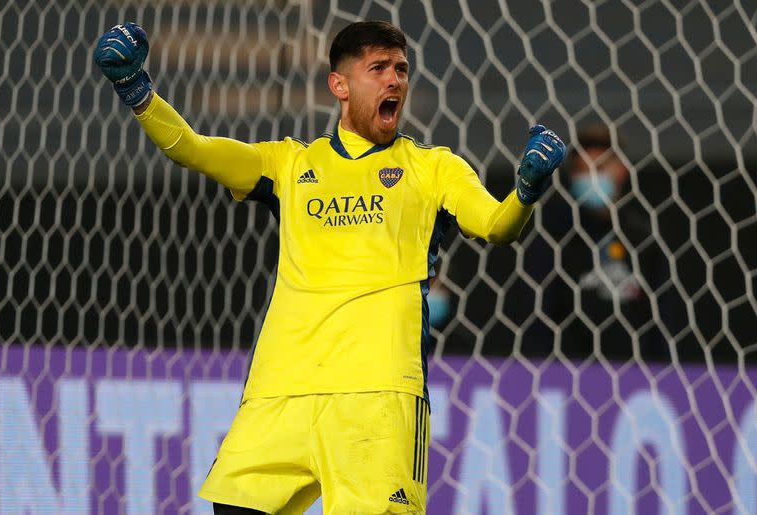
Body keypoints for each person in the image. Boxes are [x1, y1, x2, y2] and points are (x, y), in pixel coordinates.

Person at [93, 20, 565, 514]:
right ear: (339, 85)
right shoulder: (289, 165)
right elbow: (193, 149)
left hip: (378, 396)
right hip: (282, 390)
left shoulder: (435, 168)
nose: (395, 81)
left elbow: (496, 226)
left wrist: (526, 191)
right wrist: (135, 90)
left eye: (401, 69)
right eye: (378, 68)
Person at [522, 124, 671, 361]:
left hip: (637, 380)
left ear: (621, 170)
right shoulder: (552, 241)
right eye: (582, 170)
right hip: (567, 377)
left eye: (599, 168)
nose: (591, 178)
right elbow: (535, 324)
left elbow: (663, 320)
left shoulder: (644, 240)